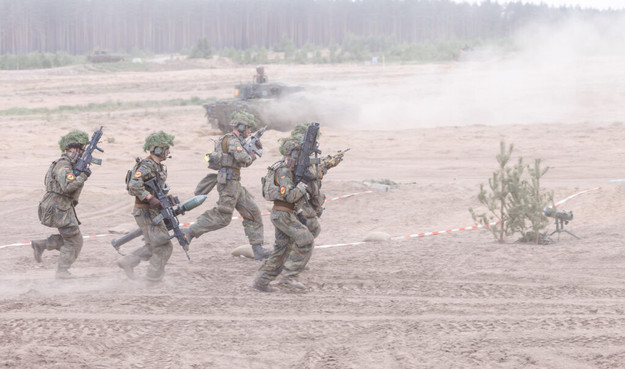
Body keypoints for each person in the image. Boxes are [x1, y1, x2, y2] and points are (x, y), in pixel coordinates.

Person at [183, 111, 270, 260]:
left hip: (234, 183)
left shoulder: (235, 141)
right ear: (241, 127)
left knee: (253, 211)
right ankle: (190, 232)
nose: (249, 131)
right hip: (229, 184)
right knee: (223, 217)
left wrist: (252, 147)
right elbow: (245, 159)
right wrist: (255, 152)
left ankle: (257, 249)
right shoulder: (232, 141)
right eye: (248, 128)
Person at [280, 124, 345, 284]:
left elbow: (313, 170)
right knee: (310, 230)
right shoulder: (295, 153)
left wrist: (328, 163)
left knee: (304, 231)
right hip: (295, 198)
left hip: (301, 198)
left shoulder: (302, 152)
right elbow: (309, 172)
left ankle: (292, 260)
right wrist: (324, 166)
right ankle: (290, 266)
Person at [252, 138, 315, 292]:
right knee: (306, 240)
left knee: (281, 250)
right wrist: (302, 184)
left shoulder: (288, 169)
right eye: (298, 154)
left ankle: (261, 281)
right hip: (283, 214)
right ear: (291, 153)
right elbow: (290, 196)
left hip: (284, 214)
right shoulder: (284, 171)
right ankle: (289, 276)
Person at [116, 131, 177, 282]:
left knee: (153, 246)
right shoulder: (147, 165)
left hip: (151, 211)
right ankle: (152, 279)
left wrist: (165, 198)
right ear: (157, 150)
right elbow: (134, 185)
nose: (167, 152)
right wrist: (149, 198)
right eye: (165, 148)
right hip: (146, 212)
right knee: (164, 246)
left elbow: (156, 189)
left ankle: (128, 261)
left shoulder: (157, 166)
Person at [31, 130, 92, 279]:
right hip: (58, 207)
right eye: (80, 150)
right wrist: (83, 176)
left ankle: (42, 244)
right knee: (74, 241)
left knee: (71, 239)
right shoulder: (63, 165)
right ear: (74, 150)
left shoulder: (65, 164)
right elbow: (68, 187)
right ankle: (62, 272)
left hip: (60, 206)